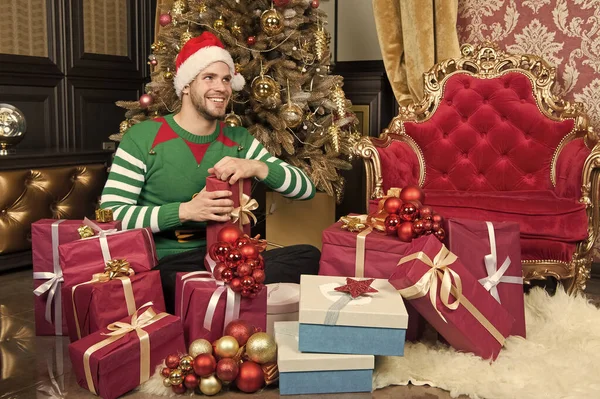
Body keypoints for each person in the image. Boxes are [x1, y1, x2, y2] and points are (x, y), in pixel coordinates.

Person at [100, 31, 321, 313]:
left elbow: (305, 189)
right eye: (209, 78)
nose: (221, 87)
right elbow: (112, 215)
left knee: (308, 256)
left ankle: (218, 300)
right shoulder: (144, 138)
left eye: (226, 79)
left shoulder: (239, 140)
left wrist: (258, 166)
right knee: (172, 280)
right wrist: (185, 211)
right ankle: (232, 298)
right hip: (170, 262)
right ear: (185, 85)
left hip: (231, 259)